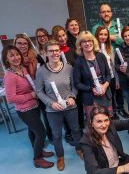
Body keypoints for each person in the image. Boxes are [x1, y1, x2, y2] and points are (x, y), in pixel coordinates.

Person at [2, 45, 54, 169]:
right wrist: (31, 95)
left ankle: (39, 151)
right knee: (41, 132)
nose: (16, 57)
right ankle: (37, 159)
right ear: (6, 59)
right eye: (12, 55)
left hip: (34, 106)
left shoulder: (23, 69)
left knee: (32, 131)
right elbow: (10, 98)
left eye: (17, 54)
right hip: (25, 110)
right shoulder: (9, 76)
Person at [35, 39, 82, 171]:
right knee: (56, 135)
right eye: (51, 51)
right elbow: (38, 91)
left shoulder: (68, 68)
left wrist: (73, 97)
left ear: (60, 51)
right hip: (53, 110)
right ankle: (60, 157)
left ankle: (79, 149)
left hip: (70, 107)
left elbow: (74, 86)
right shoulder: (41, 71)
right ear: (45, 53)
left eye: (57, 50)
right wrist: (51, 103)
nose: (54, 53)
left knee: (76, 130)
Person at [79, 105, 129, 174]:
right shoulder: (86, 142)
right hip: (106, 170)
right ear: (91, 123)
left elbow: (128, 123)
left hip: (119, 162)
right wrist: (124, 168)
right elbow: (93, 172)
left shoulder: (110, 125)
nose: (104, 125)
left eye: (106, 120)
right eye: (99, 121)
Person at [73, 31, 112, 119]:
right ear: (80, 44)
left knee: (108, 120)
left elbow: (108, 75)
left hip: (105, 95)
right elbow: (77, 83)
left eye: (89, 40)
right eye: (84, 41)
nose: (87, 43)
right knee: (93, 123)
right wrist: (92, 89)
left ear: (93, 42)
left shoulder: (101, 56)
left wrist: (105, 86)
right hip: (90, 98)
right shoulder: (78, 62)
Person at [95, 26, 125, 119]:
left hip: (111, 77)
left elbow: (113, 65)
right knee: (106, 98)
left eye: (105, 34)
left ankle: (114, 112)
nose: (103, 36)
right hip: (100, 80)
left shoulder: (110, 48)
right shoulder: (94, 50)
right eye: (101, 34)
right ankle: (106, 115)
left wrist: (116, 80)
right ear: (96, 35)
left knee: (112, 96)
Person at [35, 28, 52, 142]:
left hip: (55, 82)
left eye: (44, 35)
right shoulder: (36, 54)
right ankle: (50, 136)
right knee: (46, 112)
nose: (42, 38)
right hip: (44, 85)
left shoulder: (52, 50)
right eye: (39, 36)